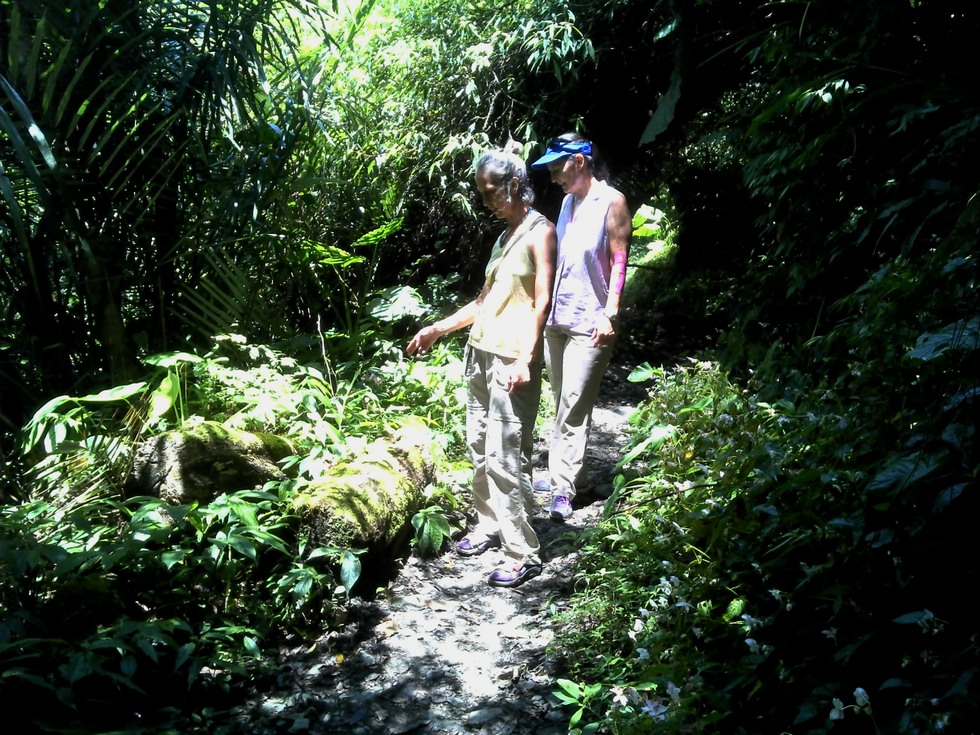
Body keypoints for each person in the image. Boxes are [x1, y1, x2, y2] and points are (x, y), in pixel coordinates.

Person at [407, 145, 557, 588]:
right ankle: (490, 524)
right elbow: (483, 301)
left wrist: (527, 358)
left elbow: (543, 301)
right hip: (480, 352)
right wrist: (438, 328)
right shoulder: (504, 235)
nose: (487, 201)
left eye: (492, 192)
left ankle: (522, 551)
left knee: (506, 456)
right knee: (478, 446)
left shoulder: (539, 232)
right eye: (482, 194)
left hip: (513, 358)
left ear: (514, 184)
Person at [530, 133, 632, 521]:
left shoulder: (613, 201)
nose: (553, 174)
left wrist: (611, 312)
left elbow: (620, 259)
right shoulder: (567, 202)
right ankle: (581, 482)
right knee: (561, 403)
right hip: (558, 318)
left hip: (592, 323)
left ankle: (563, 487)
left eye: (558, 166)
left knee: (573, 406)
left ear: (579, 161)